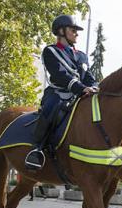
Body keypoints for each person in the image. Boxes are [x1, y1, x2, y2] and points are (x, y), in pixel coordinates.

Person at [25, 15, 98, 170]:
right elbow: (60, 75)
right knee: (51, 108)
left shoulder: (82, 56)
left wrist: (95, 87)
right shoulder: (50, 51)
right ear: (61, 31)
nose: (77, 34)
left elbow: (89, 77)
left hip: (80, 94)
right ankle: (36, 149)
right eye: (73, 30)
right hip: (59, 93)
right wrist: (80, 88)